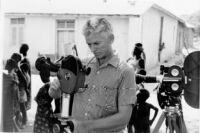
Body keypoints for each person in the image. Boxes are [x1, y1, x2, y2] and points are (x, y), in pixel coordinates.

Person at [49, 17, 137, 133]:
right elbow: (58, 94)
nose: (93, 49)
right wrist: (55, 88)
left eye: (97, 43)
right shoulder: (81, 65)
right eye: (89, 44)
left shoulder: (125, 71)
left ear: (111, 39)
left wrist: (84, 126)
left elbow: (123, 119)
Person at [33, 58, 54, 133]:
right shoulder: (51, 85)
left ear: (41, 76)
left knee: (40, 128)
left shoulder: (44, 88)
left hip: (41, 112)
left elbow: (38, 99)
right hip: (47, 111)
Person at [2, 58, 21, 132]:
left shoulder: (5, 77)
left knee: (8, 121)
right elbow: (15, 94)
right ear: (13, 68)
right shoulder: (13, 79)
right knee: (9, 123)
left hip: (6, 103)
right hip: (11, 103)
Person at [19, 43, 32, 110]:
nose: (19, 48)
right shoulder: (26, 59)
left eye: (20, 47)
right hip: (27, 79)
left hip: (24, 80)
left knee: (23, 99)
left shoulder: (24, 59)